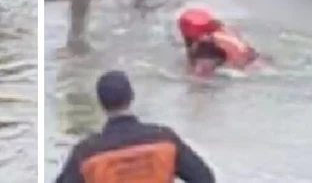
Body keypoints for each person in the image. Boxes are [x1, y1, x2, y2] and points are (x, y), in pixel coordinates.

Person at [55, 70, 215, 183]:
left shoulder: (86, 154)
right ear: (132, 96)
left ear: (101, 103)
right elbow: (205, 178)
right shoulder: (165, 140)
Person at [177, 6, 259, 77]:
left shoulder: (206, 46)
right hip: (254, 64)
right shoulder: (227, 32)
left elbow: (201, 78)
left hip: (239, 71)